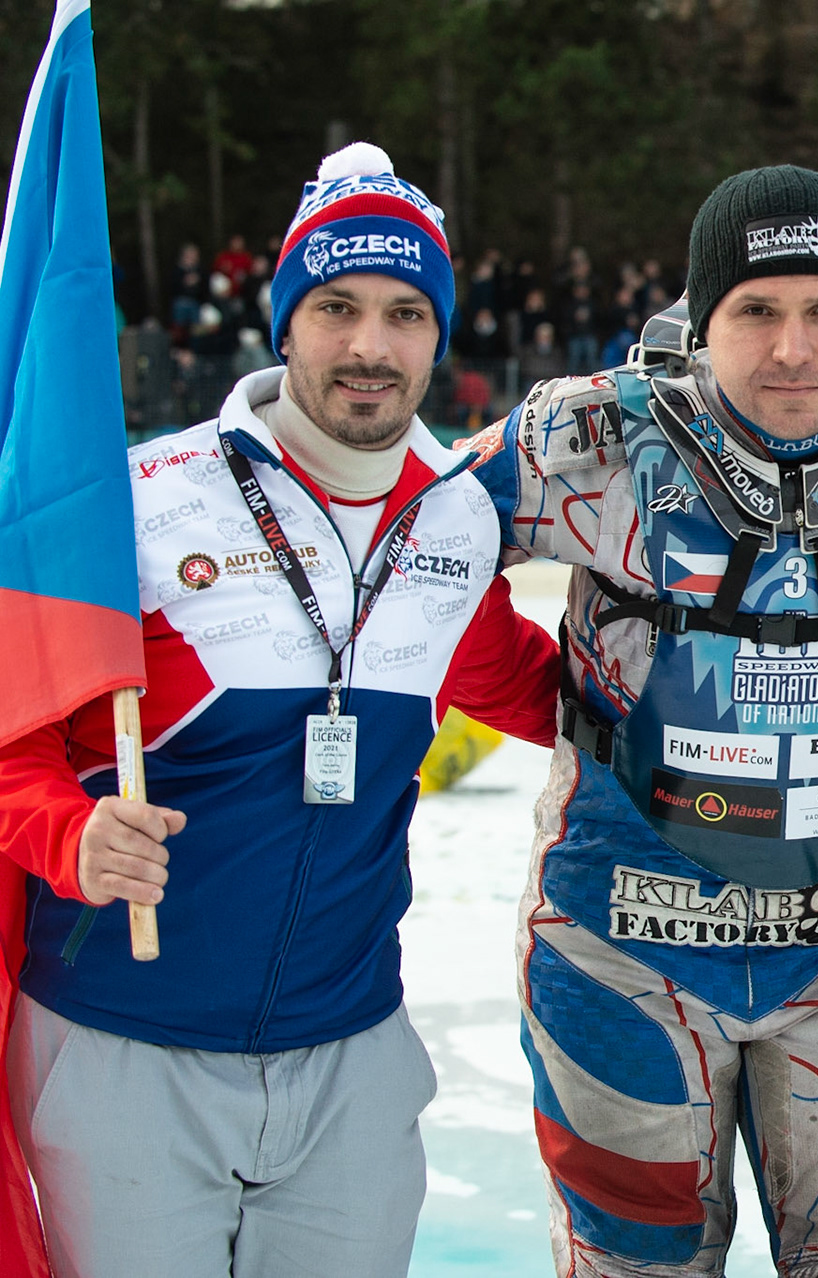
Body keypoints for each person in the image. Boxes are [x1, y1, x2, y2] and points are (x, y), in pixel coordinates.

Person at [0, 143, 560, 1276]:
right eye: (337, 307)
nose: (370, 345)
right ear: (284, 323)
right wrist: (72, 833)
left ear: (439, 333)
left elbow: (559, 700)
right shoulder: (141, 504)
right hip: (125, 1054)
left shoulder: (453, 524)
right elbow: (10, 746)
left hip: (349, 1069)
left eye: (407, 313)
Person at [464, 166, 818, 1277]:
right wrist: (542, 699)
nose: (792, 350)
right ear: (703, 319)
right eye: (754, 311)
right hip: (622, 938)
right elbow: (416, 555)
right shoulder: (590, 442)